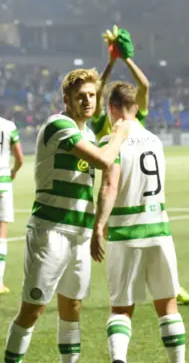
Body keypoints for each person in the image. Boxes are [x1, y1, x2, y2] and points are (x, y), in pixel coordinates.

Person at [4, 68, 130, 363]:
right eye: (80, 96)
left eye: (91, 96)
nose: (87, 101)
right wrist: (119, 135)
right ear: (66, 100)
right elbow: (102, 160)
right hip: (51, 231)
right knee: (33, 309)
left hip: (80, 234)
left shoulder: (85, 133)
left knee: (72, 307)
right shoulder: (58, 125)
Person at [95, 27, 189, 306]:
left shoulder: (132, 119)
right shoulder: (102, 125)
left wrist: (124, 59)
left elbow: (145, 87)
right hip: (124, 183)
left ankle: (171, 286)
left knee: (152, 239)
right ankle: (166, 289)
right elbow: (100, 89)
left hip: (135, 186)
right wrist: (114, 61)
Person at [90, 82, 186, 363]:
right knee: (168, 305)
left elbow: (109, 186)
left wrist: (98, 226)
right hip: (159, 231)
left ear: (112, 108)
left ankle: (119, 359)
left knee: (121, 309)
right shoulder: (155, 139)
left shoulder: (112, 142)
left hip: (125, 234)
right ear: (135, 107)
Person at [0, 114, 23, 294]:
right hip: (3, 182)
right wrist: (13, 172)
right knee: (2, 232)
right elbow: (20, 158)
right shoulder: (8, 126)